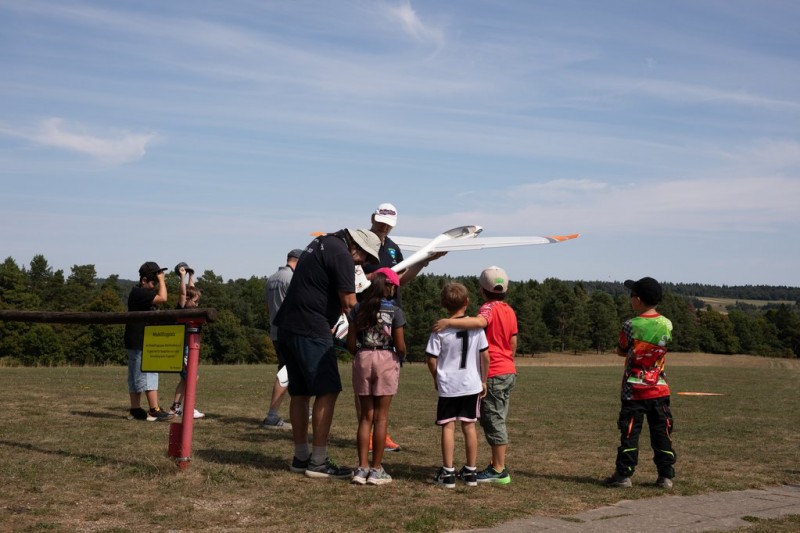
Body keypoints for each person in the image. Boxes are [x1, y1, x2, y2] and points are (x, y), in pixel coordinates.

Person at [273, 228, 381, 480]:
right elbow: (350, 302)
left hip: (289, 326)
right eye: (365, 257)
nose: (362, 263)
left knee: (300, 392)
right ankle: (318, 462)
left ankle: (301, 457)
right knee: (328, 389)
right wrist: (372, 325)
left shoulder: (323, 243)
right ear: (357, 246)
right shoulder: (342, 254)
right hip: (312, 327)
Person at [357, 202, 446, 453]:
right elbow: (352, 279)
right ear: (372, 218)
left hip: (391, 313)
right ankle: (368, 433)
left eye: (389, 225)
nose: (384, 228)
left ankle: (380, 433)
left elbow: (400, 279)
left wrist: (423, 261)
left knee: (385, 383)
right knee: (365, 386)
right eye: (381, 222)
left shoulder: (393, 248)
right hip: (366, 314)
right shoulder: (360, 244)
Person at [433, 266, 518, 484]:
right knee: (497, 417)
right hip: (508, 369)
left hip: (494, 372)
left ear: (482, 290)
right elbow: (513, 341)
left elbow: (480, 323)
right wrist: (509, 360)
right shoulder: (509, 310)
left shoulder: (488, 308)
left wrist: (449, 322)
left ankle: (499, 469)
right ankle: (495, 464)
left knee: (493, 420)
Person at [605, 276, 676, 489]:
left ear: (638, 300)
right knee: (662, 433)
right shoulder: (667, 324)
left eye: (632, 295)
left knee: (629, 433)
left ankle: (623, 475)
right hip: (660, 389)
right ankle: (666, 475)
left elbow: (622, 349)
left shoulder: (630, 325)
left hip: (633, 392)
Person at [346, 268, 406, 486]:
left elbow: (350, 342)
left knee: (365, 417)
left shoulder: (359, 309)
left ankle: (361, 468)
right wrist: (401, 356)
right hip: (386, 358)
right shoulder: (395, 310)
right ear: (389, 287)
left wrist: (360, 353)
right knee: (381, 418)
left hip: (363, 357)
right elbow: (400, 344)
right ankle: (376, 469)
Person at [426, 282, 489, 488]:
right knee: (469, 426)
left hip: (449, 385)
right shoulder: (476, 328)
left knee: (448, 426)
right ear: (467, 302)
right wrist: (483, 380)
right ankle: (471, 472)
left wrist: (436, 377)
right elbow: (485, 357)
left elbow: (431, 359)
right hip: (471, 384)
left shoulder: (439, 329)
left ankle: (448, 473)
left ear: (443, 304)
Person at [124, 261, 174, 421]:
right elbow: (163, 298)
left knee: (135, 375)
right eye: (153, 282)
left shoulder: (136, 292)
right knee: (148, 372)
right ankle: (154, 409)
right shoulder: (140, 293)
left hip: (134, 339)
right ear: (144, 280)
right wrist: (162, 280)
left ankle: (135, 408)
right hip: (140, 340)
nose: (155, 286)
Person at [261, 249, 303, 429]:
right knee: (286, 372)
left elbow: (267, 308)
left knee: (293, 371)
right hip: (290, 332)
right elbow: (299, 306)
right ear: (298, 261)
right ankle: (272, 416)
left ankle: (301, 407)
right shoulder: (292, 278)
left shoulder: (271, 279)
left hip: (275, 331)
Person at [170, 262, 205, 419]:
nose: (196, 305)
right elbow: (184, 293)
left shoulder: (191, 308)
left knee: (186, 379)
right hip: (183, 349)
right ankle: (188, 408)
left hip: (188, 348)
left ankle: (176, 407)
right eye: (195, 301)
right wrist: (182, 277)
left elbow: (191, 290)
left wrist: (191, 276)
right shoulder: (182, 307)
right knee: (192, 377)